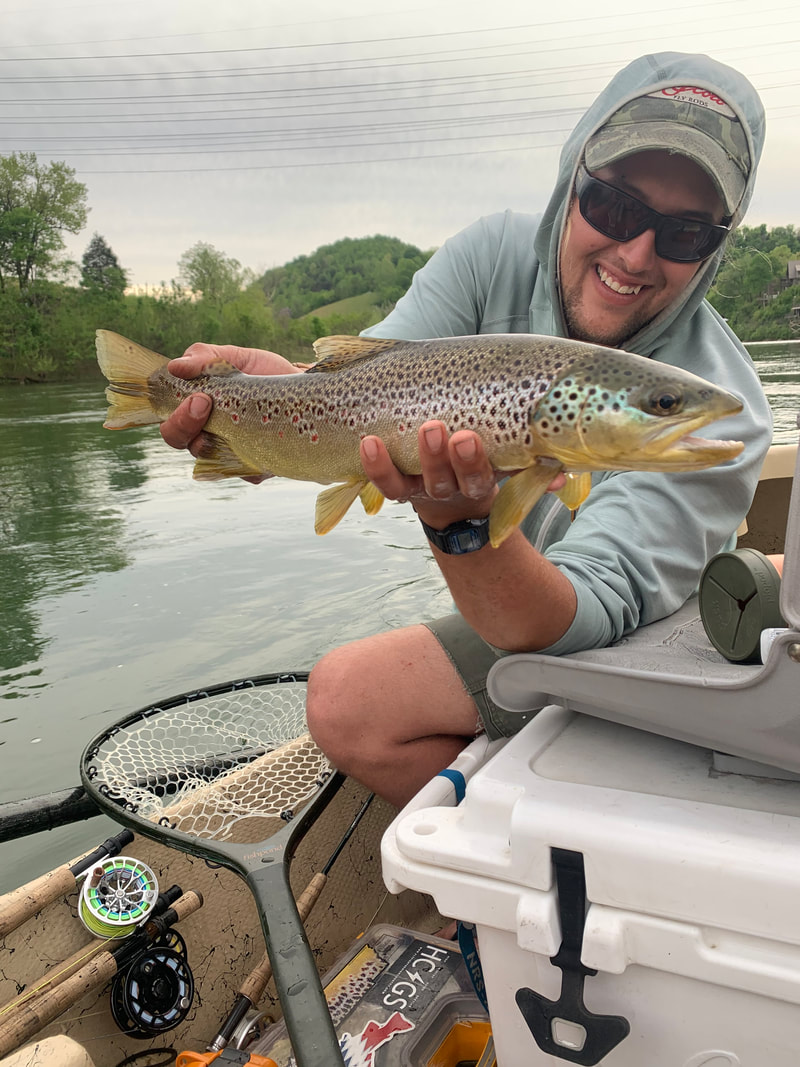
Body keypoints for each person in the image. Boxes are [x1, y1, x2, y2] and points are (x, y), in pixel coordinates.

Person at [161, 52, 772, 809]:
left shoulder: (723, 410)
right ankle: (503, 859)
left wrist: (459, 525)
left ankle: (542, 853)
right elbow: (359, 393)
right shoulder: (492, 255)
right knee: (344, 702)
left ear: (717, 246)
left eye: (685, 234)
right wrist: (262, 410)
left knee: (359, 692)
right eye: (613, 206)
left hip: (645, 643)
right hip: (515, 599)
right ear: (571, 178)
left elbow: (580, 618)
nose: (636, 253)